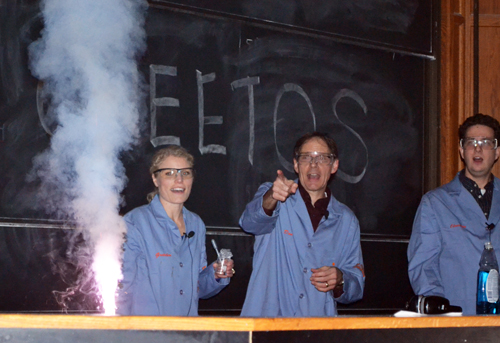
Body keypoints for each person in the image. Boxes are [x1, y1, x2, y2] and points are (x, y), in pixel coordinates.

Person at [239, 132, 365, 317]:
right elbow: (249, 222)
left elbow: (356, 287)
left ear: (334, 165)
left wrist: (340, 280)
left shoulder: (347, 220)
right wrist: (272, 197)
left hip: (316, 328)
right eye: (306, 157)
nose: (313, 164)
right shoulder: (275, 196)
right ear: (296, 165)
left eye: (322, 158)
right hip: (267, 326)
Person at [116, 145, 234, 316]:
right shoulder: (135, 222)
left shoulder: (196, 224)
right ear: (156, 179)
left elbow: (196, 289)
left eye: (185, 173)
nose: (179, 180)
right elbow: (121, 287)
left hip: (185, 333)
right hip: (145, 333)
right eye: (169, 173)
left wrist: (216, 275)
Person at [408, 113, 500, 315]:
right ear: (461, 150)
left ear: (497, 152)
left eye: (485, 142)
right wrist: (440, 312)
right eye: (470, 142)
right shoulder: (435, 203)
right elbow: (424, 267)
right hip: (457, 321)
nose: (477, 148)